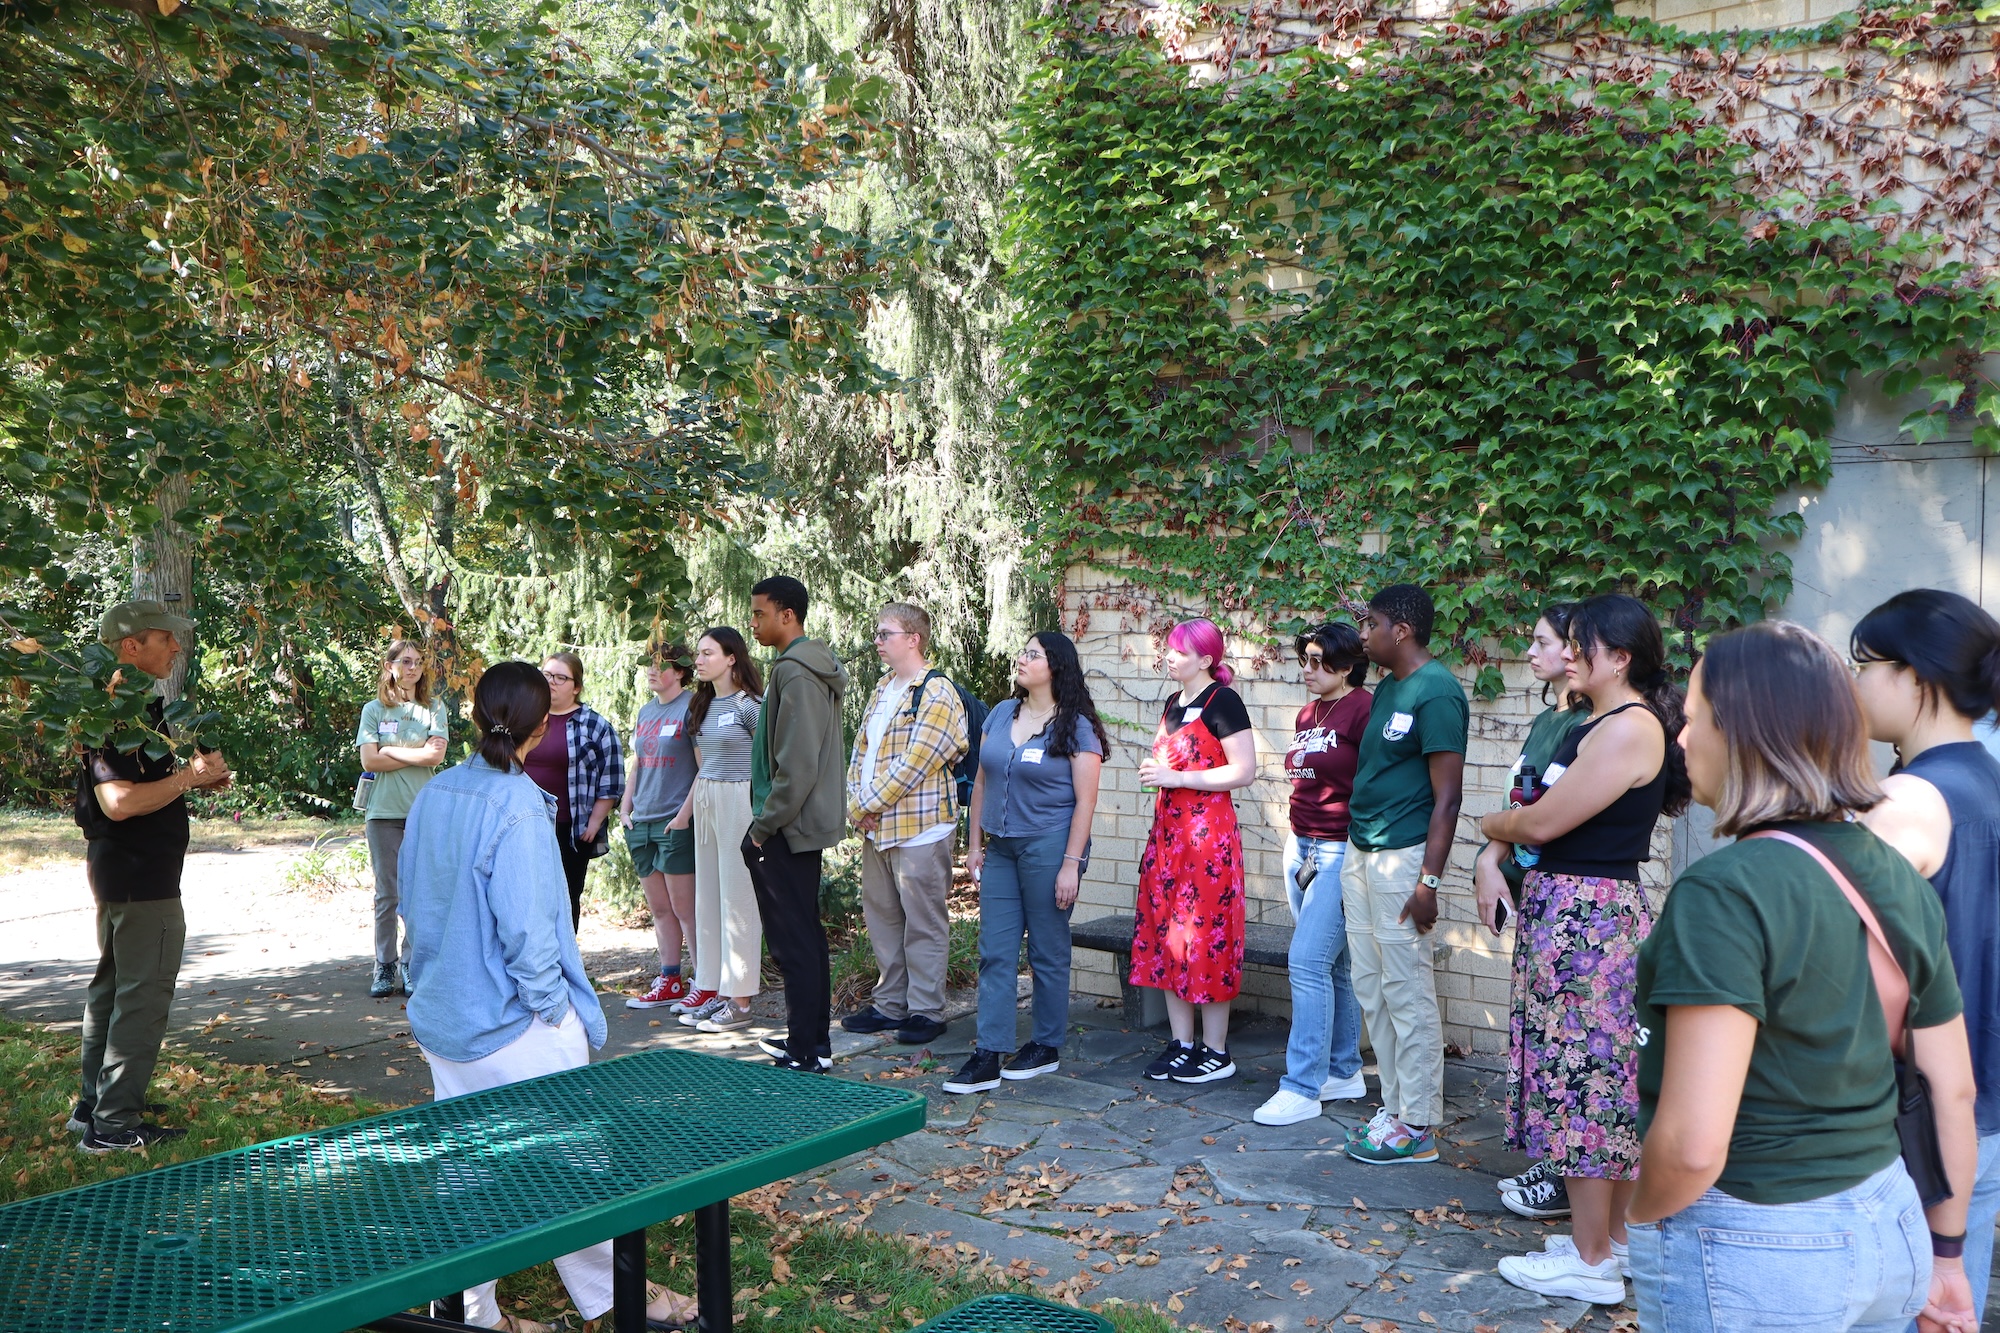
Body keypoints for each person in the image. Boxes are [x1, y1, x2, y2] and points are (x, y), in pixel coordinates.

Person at [1627, 620, 1978, 1333]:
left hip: (1761, 1241)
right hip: (1892, 1225)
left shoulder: (1725, 890)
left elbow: (1695, 1142)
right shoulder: (1894, 872)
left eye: (1694, 719)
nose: (1682, 740)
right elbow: (1953, 1086)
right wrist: (1947, 1257)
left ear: (1744, 730)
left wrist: (1640, 1215)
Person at [399, 661, 692, 1333]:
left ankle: (479, 1312)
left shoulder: (437, 792)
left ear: (478, 717)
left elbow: (410, 900)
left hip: (446, 1015)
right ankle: (625, 1297)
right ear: (541, 726)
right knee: (573, 1167)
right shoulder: (519, 805)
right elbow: (530, 934)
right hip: (510, 1022)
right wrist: (557, 1014)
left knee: (471, 1169)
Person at [1475, 594, 1689, 1302]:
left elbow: (1543, 820)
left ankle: (1593, 1258)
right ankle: (1610, 1241)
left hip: (1586, 919)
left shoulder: (1629, 729)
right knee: (1587, 1076)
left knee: (1588, 1082)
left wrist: (1494, 822)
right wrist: (1514, 824)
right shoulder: (1595, 724)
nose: (1567, 652)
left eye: (1580, 644)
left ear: (1619, 657)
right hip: (1570, 913)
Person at [1850, 589, 2000, 1320]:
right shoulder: (1989, 780)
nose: (1855, 685)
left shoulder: (1905, 800)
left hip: (1912, 1119)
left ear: (1916, 677)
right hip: (1978, 1109)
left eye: (1863, 665)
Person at [70, 599, 231, 1153]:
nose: (178, 647)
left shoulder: (140, 711)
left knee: (113, 990)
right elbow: (117, 801)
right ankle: (114, 1127)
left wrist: (200, 777)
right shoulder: (116, 715)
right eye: (167, 638)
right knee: (140, 998)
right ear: (130, 646)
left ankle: (94, 1104)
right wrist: (188, 777)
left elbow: (151, 788)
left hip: (125, 872)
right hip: (140, 877)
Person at [945, 631, 1107, 1094]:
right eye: (1023, 652)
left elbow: (1086, 802)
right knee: (994, 950)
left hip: (1050, 846)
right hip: (1001, 847)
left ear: (1055, 666)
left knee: (1046, 948)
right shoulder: (999, 714)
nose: (1022, 659)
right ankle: (987, 1053)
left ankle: (1045, 1044)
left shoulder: (1076, 726)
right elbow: (979, 783)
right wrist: (973, 844)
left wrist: (1070, 864)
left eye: (1032, 654)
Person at [1343, 583, 1467, 1166]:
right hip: (1361, 853)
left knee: (1407, 991)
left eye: (1371, 623)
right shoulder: (1389, 688)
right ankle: (1394, 1108)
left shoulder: (1436, 692)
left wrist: (1429, 883)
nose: (1362, 633)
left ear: (1402, 630)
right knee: (1373, 988)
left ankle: (1418, 1124)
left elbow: (1448, 798)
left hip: (1403, 860)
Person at [1472, 601, 1588, 1215]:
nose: (1532, 652)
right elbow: (1518, 800)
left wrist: (1499, 830)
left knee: (1577, 1042)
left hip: (1578, 897)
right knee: (1542, 1035)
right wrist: (1489, 859)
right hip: (1535, 894)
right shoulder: (1546, 722)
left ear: (1575, 649)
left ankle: (1578, 1178)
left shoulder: (1602, 725)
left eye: (1542, 641)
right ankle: (1557, 1160)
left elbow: (1543, 815)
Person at [1254, 622, 1374, 1127]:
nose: (1306, 668)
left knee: (1305, 961)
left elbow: (1374, 782)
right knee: (1333, 966)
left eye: (1318, 660)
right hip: (1300, 846)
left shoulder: (1364, 709)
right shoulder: (1309, 711)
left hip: (1341, 849)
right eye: (1303, 658)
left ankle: (1303, 1086)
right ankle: (1344, 1070)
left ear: (1347, 665)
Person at [1132, 617, 1258, 1085]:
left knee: (1208, 937)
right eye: (1169, 648)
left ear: (1206, 660)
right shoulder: (1172, 702)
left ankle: (1216, 1051)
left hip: (1208, 841)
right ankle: (1182, 1044)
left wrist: (1178, 778)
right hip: (1169, 837)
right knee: (1169, 935)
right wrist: (1161, 772)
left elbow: (1244, 771)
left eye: (1180, 651)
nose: (1170, 656)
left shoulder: (1223, 701)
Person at [840, 603, 968, 1047]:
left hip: (920, 828)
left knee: (923, 922)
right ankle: (890, 1005)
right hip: (877, 827)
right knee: (883, 919)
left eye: (885, 634)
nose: (877, 641)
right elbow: (862, 753)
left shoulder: (937, 693)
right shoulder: (881, 689)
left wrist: (863, 805)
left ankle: (926, 1011)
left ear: (913, 638)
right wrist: (858, 803)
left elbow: (915, 765)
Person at [744, 576, 848, 1073]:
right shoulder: (799, 667)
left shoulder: (797, 672)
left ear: (788, 615)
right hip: (790, 825)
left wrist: (764, 826)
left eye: (760, 613)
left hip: (786, 827)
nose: (753, 622)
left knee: (794, 940)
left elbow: (798, 764)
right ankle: (806, 1041)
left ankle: (809, 1050)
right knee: (799, 936)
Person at [676, 628, 765, 1032]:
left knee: (738, 900)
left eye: (707, 652)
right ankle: (714, 989)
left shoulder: (751, 706)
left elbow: (769, 762)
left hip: (738, 801)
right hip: (708, 799)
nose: (698, 659)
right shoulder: (702, 704)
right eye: (698, 653)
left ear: (732, 658)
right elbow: (702, 763)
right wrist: (689, 810)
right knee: (708, 899)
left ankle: (742, 1001)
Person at [356, 638, 450, 999]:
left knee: (417, 892)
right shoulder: (374, 710)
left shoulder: (433, 708)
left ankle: (411, 964)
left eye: (418, 662)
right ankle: (385, 964)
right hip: (382, 814)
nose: (413, 668)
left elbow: (434, 759)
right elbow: (369, 762)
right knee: (387, 894)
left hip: (422, 813)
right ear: (389, 666)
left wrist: (389, 749)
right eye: (405, 661)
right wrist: (415, 750)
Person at [622, 644, 700, 1011]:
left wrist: (683, 816)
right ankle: (669, 979)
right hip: (641, 822)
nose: (652, 672)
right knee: (660, 909)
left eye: (661, 666)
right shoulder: (645, 711)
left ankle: (704, 982)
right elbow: (638, 764)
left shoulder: (692, 706)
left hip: (675, 821)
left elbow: (705, 769)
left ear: (682, 670)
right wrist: (626, 811)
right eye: (649, 666)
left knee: (686, 909)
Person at [523, 651, 623, 931]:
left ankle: (565, 969)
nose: (551, 682)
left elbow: (612, 778)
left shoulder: (595, 725)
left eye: (560, 677)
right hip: (524, 823)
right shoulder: (526, 717)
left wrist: (594, 822)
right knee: (526, 897)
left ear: (576, 686)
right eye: (546, 675)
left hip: (571, 828)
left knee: (566, 900)